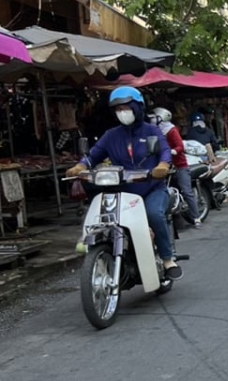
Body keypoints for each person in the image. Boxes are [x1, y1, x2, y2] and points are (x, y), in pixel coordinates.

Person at [65, 87, 184, 280]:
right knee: (101, 214)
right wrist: (80, 166)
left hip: (151, 189)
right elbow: (94, 155)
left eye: (126, 107)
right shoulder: (111, 135)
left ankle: (168, 258)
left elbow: (163, 150)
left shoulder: (152, 130)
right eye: (118, 108)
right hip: (124, 192)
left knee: (154, 213)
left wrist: (163, 165)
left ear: (137, 107)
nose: (122, 112)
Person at [149, 107, 201, 229]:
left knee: (186, 191)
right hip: (164, 165)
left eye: (154, 117)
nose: (151, 120)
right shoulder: (155, 131)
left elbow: (180, 146)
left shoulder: (171, 130)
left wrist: (172, 151)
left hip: (179, 165)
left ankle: (196, 217)